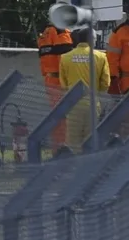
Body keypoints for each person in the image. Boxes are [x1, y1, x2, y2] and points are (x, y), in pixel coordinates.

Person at [58, 28, 111, 152]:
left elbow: (63, 85)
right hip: (92, 103)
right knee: (91, 140)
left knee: (73, 142)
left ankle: (73, 163)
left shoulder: (65, 57)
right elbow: (106, 83)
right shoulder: (101, 56)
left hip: (72, 104)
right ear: (91, 39)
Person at [37, 21, 74, 149]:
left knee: (56, 115)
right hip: (60, 81)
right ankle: (63, 148)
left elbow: (43, 60)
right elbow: (65, 59)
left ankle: (57, 147)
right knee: (65, 115)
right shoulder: (60, 32)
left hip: (49, 80)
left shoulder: (45, 33)